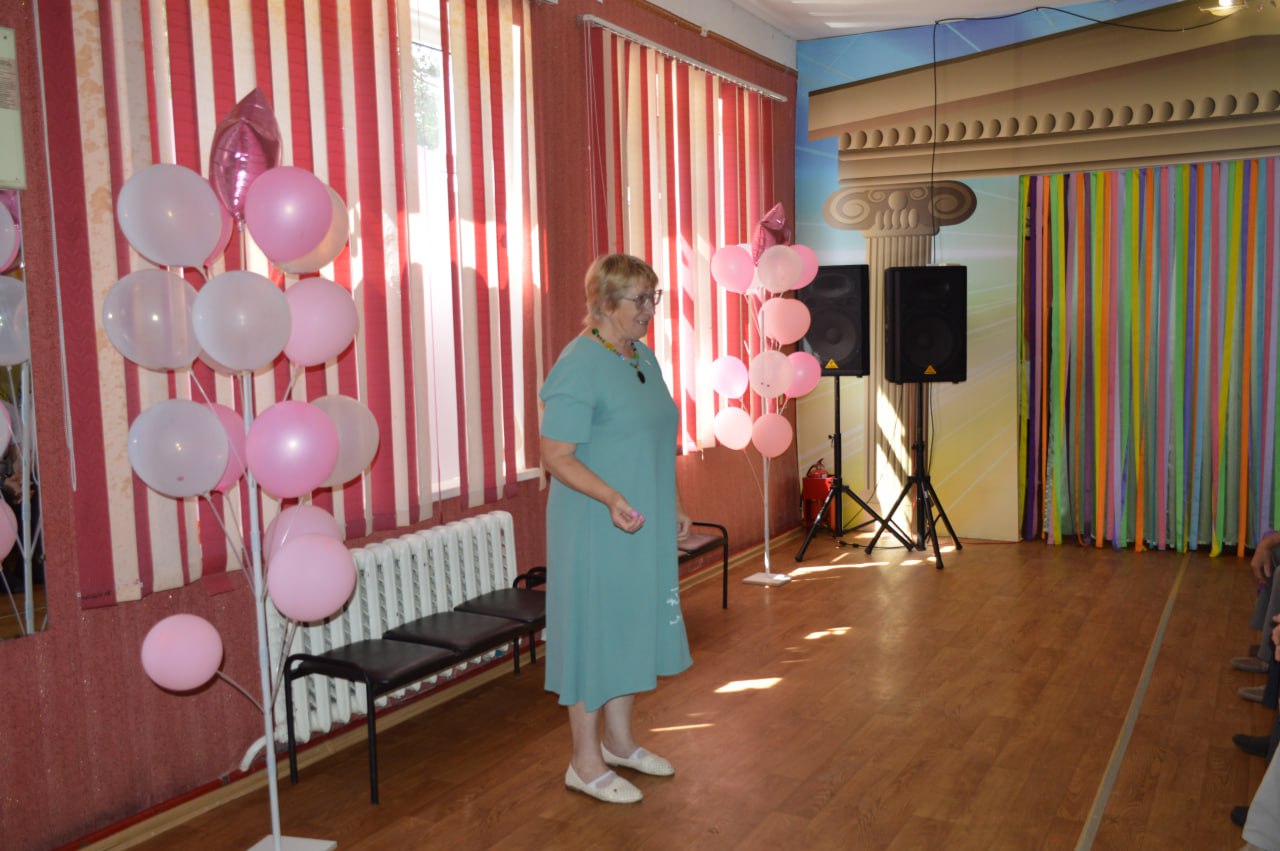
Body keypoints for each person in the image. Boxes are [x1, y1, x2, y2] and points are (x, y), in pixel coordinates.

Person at [539, 253, 693, 804]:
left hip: (641, 520)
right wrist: (609, 497)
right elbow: (556, 455)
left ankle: (620, 743)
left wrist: (675, 501)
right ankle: (584, 763)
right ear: (605, 303)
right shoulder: (579, 363)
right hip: (595, 523)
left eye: (654, 297)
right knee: (594, 633)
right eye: (640, 299)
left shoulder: (641, 356)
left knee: (632, 625)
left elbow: (657, 437)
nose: (650, 309)